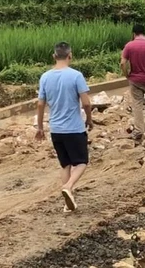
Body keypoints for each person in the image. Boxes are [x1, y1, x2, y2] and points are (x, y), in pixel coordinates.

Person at [35, 41, 92, 213]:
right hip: (74, 128)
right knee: (81, 162)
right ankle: (68, 187)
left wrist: (40, 127)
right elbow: (86, 103)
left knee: (65, 164)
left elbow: (40, 104)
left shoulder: (45, 77)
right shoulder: (76, 76)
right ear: (70, 56)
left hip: (56, 130)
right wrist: (89, 119)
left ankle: (67, 203)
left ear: (54, 56)